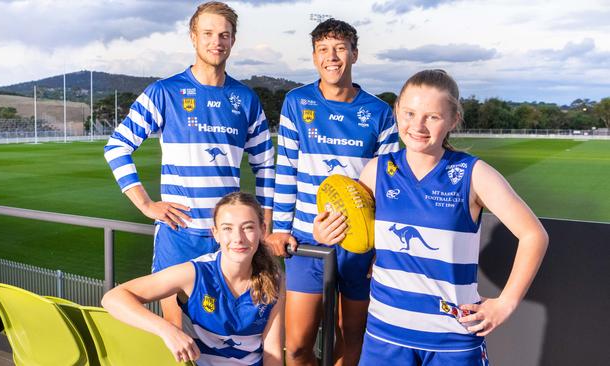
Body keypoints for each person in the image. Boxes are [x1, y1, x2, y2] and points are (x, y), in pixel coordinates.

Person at [314, 69, 549, 365]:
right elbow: (357, 233)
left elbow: (534, 235)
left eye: (432, 117)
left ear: (453, 120)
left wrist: (506, 303)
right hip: (386, 333)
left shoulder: (473, 174)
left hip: (452, 338)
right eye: (410, 113)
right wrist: (326, 233)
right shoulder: (376, 172)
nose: (418, 125)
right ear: (397, 111)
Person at [103, 1, 275, 327]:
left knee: (225, 330)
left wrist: (265, 225)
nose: (216, 41)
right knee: (178, 331)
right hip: (179, 234)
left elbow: (266, 165)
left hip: (228, 237)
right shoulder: (164, 92)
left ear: (233, 40)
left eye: (224, 34)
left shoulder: (246, 99)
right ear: (193, 37)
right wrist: (146, 204)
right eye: (208, 33)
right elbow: (117, 147)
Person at [265, 19, 398, 365]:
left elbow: (387, 184)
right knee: (296, 347)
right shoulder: (297, 102)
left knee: (353, 337)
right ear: (314, 57)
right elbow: (287, 170)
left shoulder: (380, 112)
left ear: (354, 54)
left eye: (340, 48)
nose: (332, 57)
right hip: (308, 242)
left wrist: (380, 246)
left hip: (359, 245)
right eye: (323, 49)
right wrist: (280, 228)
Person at [102, 191, 284, 365]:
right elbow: (113, 298)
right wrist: (168, 330)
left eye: (248, 227)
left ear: (262, 230)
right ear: (215, 233)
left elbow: (273, 352)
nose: (238, 238)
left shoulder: (274, 278)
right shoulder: (195, 273)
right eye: (227, 228)